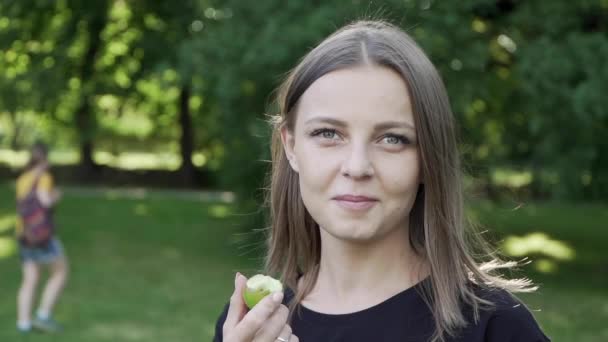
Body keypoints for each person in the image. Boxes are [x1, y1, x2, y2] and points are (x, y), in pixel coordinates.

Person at [213, 20, 551, 342]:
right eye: (328, 133)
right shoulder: (254, 324)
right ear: (291, 146)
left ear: (427, 159)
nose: (357, 167)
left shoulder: (496, 327)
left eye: (392, 139)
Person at [15, 142, 68, 333]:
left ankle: (23, 324)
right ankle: (43, 315)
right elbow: (45, 201)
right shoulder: (44, 178)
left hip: (24, 234)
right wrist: (55, 196)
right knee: (60, 272)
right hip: (42, 236)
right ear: (45, 160)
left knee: (29, 278)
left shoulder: (22, 178)